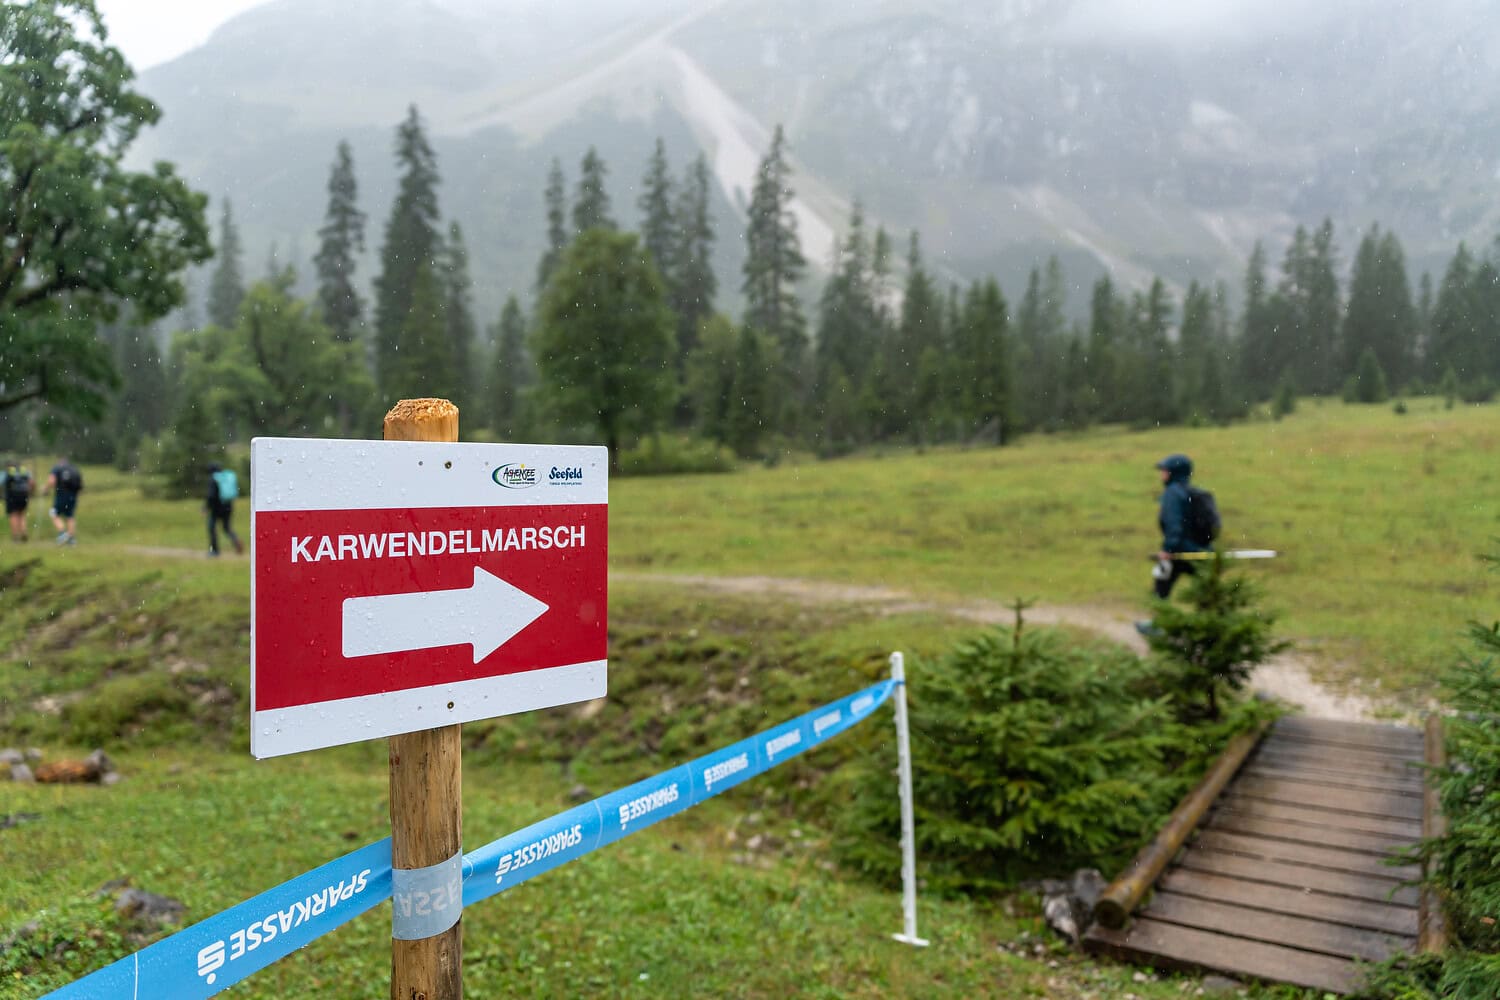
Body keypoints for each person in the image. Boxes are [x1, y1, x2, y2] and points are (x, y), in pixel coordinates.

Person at [1136, 453, 1210, 638]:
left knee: (1161, 586)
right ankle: (1209, 624)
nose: (1162, 474)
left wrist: (1168, 549)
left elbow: (1173, 524)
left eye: (1165, 470)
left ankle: (1158, 624)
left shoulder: (1172, 494)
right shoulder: (1192, 492)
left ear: (1173, 472)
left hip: (1178, 552)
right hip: (1200, 551)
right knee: (1206, 589)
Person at [206, 462, 243, 557]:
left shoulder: (213, 479)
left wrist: (206, 507)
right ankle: (235, 540)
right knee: (226, 528)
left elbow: (211, 496)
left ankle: (214, 551)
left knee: (212, 527)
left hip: (216, 508)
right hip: (228, 506)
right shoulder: (225, 477)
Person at [44, 457, 83, 545]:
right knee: (70, 516)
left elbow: (51, 481)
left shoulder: (57, 468)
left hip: (61, 494)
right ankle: (71, 539)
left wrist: (46, 489)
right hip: (73, 495)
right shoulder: (74, 469)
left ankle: (62, 533)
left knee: (53, 513)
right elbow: (80, 484)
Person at [2, 458, 33, 542]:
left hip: (12, 496)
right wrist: (29, 492)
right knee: (22, 515)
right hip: (23, 496)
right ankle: (24, 532)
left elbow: (2, 482)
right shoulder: (24, 471)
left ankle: (15, 536)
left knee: (13, 515)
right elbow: (31, 482)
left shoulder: (8, 472)